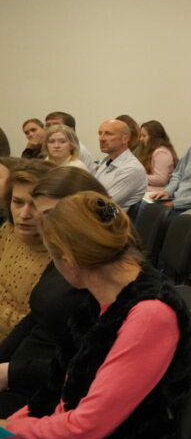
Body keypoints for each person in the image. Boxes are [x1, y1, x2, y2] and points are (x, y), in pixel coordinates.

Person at [0, 191, 191, 439]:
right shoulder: (104, 298)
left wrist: (10, 431)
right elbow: (60, 390)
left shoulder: (149, 314)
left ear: (70, 261)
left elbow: (87, 427)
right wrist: (13, 427)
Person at [0, 167, 106, 417]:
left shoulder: (103, 278)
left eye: (49, 214)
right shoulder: (64, 251)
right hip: (23, 374)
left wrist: (10, 372)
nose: (30, 217)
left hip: (49, 393)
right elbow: (34, 319)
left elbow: (89, 368)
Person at [0, 161, 54, 340]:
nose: (24, 214)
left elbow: (33, 330)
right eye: (17, 202)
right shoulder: (9, 230)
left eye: (35, 205)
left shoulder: (61, 257)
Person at [93, 119, 148, 209]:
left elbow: (103, 204)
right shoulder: (108, 161)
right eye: (100, 133)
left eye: (108, 134)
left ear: (124, 139)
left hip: (111, 221)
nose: (101, 138)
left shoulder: (131, 169)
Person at [137, 120, 178, 196]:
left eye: (144, 136)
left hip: (157, 193)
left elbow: (161, 179)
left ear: (153, 137)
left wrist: (136, 177)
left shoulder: (161, 152)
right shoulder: (150, 151)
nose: (141, 139)